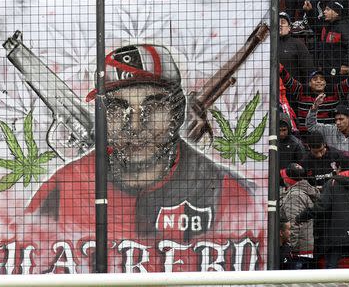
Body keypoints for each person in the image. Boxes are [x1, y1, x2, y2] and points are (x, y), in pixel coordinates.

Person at [26, 44, 261, 271]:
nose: (134, 126)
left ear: (176, 114)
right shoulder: (63, 186)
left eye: (153, 107)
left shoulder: (230, 193)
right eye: (117, 109)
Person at [296, 155, 349, 268]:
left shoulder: (332, 183)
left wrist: (302, 216)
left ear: (339, 168)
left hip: (337, 233)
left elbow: (322, 207)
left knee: (331, 267)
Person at [280, 67, 349, 132]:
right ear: (309, 83)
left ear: (325, 83)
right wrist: (280, 68)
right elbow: (288, 80)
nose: (319, 81)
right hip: (306, 136)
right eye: (315, 79)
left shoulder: (335, 91)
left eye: (322, 79)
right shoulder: (301, 91)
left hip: (329, 136)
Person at [304, 0, 349, 79]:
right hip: (326, 70)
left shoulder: (344, 27)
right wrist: (309, 11)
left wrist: (346, 64)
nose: (324, 12)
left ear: (337, 12)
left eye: (328, 9)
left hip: (338, 72)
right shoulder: (327, 25)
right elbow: (315, 25)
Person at [280, 163, 318, 270]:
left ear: (288, 180)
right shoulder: (300, 192)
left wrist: (291, 248)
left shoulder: (294, 196)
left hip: (298, 252)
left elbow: (294, 223)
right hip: (303, 248)